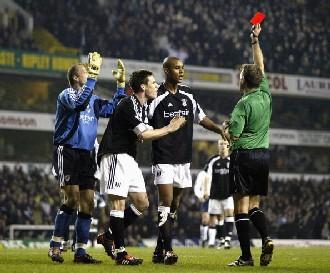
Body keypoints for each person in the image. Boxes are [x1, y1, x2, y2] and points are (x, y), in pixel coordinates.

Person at [97, 69, 186, 265]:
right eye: (153, 83)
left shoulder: (143, 107)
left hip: (129, 158)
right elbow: (144, 135)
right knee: (118, 204)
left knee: (142, 203)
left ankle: (108, 236)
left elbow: (144, 133)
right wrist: (170, 128)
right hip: (114, 155)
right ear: (143, 86)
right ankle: (121, 254)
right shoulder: (128, 103)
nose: (156, 85)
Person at [148, 56, 226, 264]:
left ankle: (158, 249)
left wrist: (219, 129)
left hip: (183, 159)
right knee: (165, 203)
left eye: (182, 68)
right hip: (163, 157)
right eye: (176, 68)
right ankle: (168, 251)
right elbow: (144, 126)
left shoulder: (188, 94)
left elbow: (201, 118)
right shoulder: (155, 96)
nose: (181, 72)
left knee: (174, 206)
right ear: (166, 70)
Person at [49, 53, 126, 264]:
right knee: (71, 199)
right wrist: (93, 76)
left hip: (87, 154)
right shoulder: (66, 95)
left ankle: (81, 252)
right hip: (68, 151)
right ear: (76, 77)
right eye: (86, 71)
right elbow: (79, 105)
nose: (91, 73)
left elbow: (113, 109)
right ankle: (56, 246)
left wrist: (121, 85)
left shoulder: (93, 99)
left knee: (88, 202)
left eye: (90, 71)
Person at [225, 24, 274, 267]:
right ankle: (266, 237)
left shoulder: (242, 105)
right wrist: (255, 41)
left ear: (243, 80)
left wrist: (225, 129)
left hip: (243, 155)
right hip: (263, 155)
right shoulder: (265, 93)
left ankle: (246, 257)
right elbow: (260, 66)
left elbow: (233, 135)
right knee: (255, 205)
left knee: (240, 207)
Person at [204, 139, 234, 249]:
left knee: (230, 214)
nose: (222, 146)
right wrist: (206, 190)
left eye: (225, 144)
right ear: (218, 146)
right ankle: (221, 240)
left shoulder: (232, 161)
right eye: (220, 144)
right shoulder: (213, 160)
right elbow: (207, 176)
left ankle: (228, 240)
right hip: (215, 195)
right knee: (215, 219)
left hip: (228, 194)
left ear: (228, 146)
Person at [193, 168, 209, 247]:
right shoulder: (202, 174)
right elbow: (197, 186)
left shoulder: (220, 170)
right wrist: (200, 196)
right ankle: (204, 239)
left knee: (217, 220)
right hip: (206, 199)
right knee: (205, 220)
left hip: (217, 198)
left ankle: (219, 240)